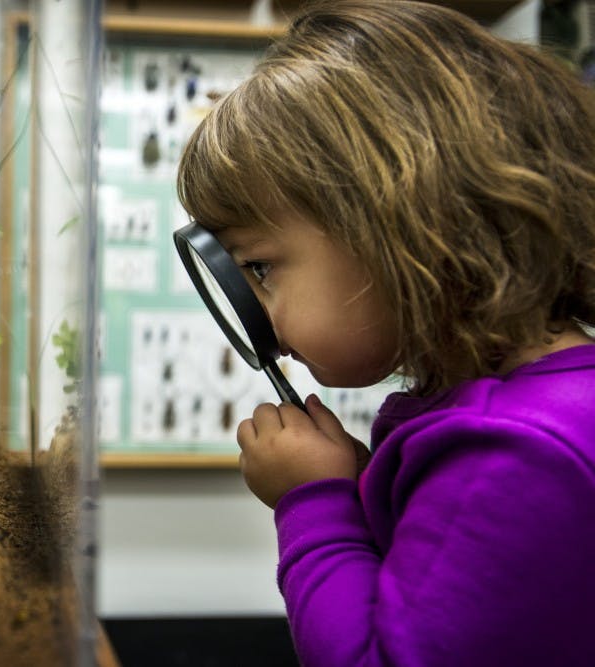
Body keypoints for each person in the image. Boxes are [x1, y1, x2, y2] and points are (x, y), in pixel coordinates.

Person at [175, 1, 595, 665]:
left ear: (400, 221)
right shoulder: (525, 412)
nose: (263, 321)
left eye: (259, 266)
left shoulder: (509, 454)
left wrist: (314, 501)